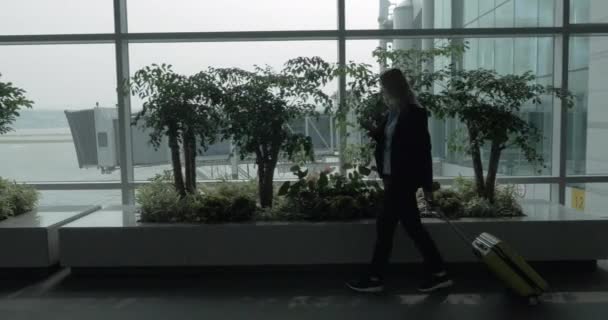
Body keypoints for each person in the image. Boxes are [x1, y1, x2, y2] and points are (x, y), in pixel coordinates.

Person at [346, 68, 453, 293]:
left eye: (384, 85)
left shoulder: (414, 112)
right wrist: (374, 131)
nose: (381, 90)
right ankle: (438, 272)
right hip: (392, 178)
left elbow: (423, 151)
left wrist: (427, 187)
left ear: (393, 87)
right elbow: (389, 142)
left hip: (403, 180)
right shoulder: (393, 112)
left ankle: (376, 278)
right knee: (409, 227)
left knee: (387, 227)